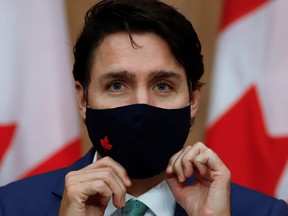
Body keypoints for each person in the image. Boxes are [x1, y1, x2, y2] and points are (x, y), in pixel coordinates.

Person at [0, 0, 287, 215]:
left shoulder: (267, 212)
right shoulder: (10, 207)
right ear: (83, 100)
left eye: (162, 85)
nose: (141, 104)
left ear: (193, 100)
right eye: (116, 85)